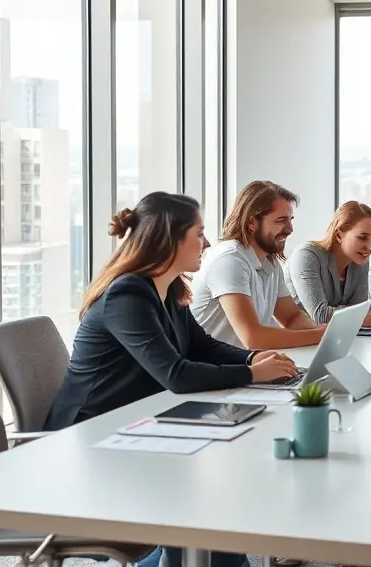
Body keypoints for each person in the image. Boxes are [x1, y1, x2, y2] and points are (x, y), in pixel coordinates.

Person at [41, 193, 300, 567]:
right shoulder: (127, 295)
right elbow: (176, 374)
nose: (207, 243)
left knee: (214, 513)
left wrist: (253, 357)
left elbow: (203, 345)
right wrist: (250, 373)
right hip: (91, 443)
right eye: (199, 233)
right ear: (170, 238)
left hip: (139, 426)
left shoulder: (170, 289)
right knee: (207, 503)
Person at [190, 181, 325, 350]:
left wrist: (321, 333)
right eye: (281, 220)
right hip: (210, 369)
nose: (290, 229)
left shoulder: (270, 261)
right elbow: (253, 338)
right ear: (252, 222)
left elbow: (291, 317)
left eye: (290, 220)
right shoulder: (229, 260)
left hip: (245, 364)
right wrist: (319, 335)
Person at [286, 201, 371, 327]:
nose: (370, 247)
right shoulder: (307, 255)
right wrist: (362, 318)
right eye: (362, 237)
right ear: (339, 235)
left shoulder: (361, 262)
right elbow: (319, 315)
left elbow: (356, 310)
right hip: (293, 341)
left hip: (331, 338)